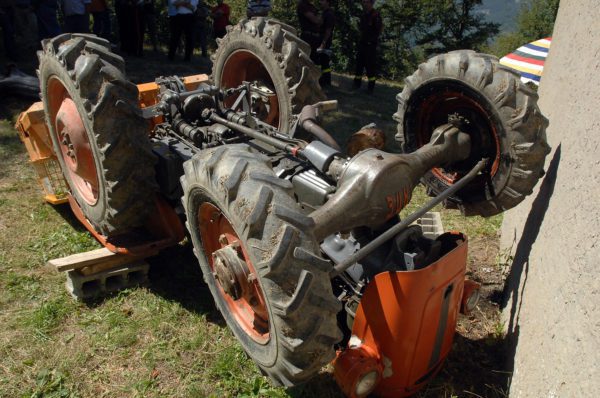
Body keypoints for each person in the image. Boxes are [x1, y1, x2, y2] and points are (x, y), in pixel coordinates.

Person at [353, 0, 382, 94]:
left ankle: (370, 87)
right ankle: (356, 84)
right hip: (362, 43)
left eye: (367, 2)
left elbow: (378, 30)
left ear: (372, 3)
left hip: (370, 45)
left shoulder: (375, 15)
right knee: (359, 64)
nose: (364, 4)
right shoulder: (364, 15)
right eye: (363, 2)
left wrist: (373, 42)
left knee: (370, 66)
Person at [317, 0, 334, 86]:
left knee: (324, 61)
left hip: (325, 41)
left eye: (322, 0)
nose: (320, 2)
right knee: (322, 61)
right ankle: (322, 80)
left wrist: (323, 43)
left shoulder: (329, 14)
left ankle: (326, 82)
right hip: (321, 40)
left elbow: (328, 30)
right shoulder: (324, 13)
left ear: (328, 2)